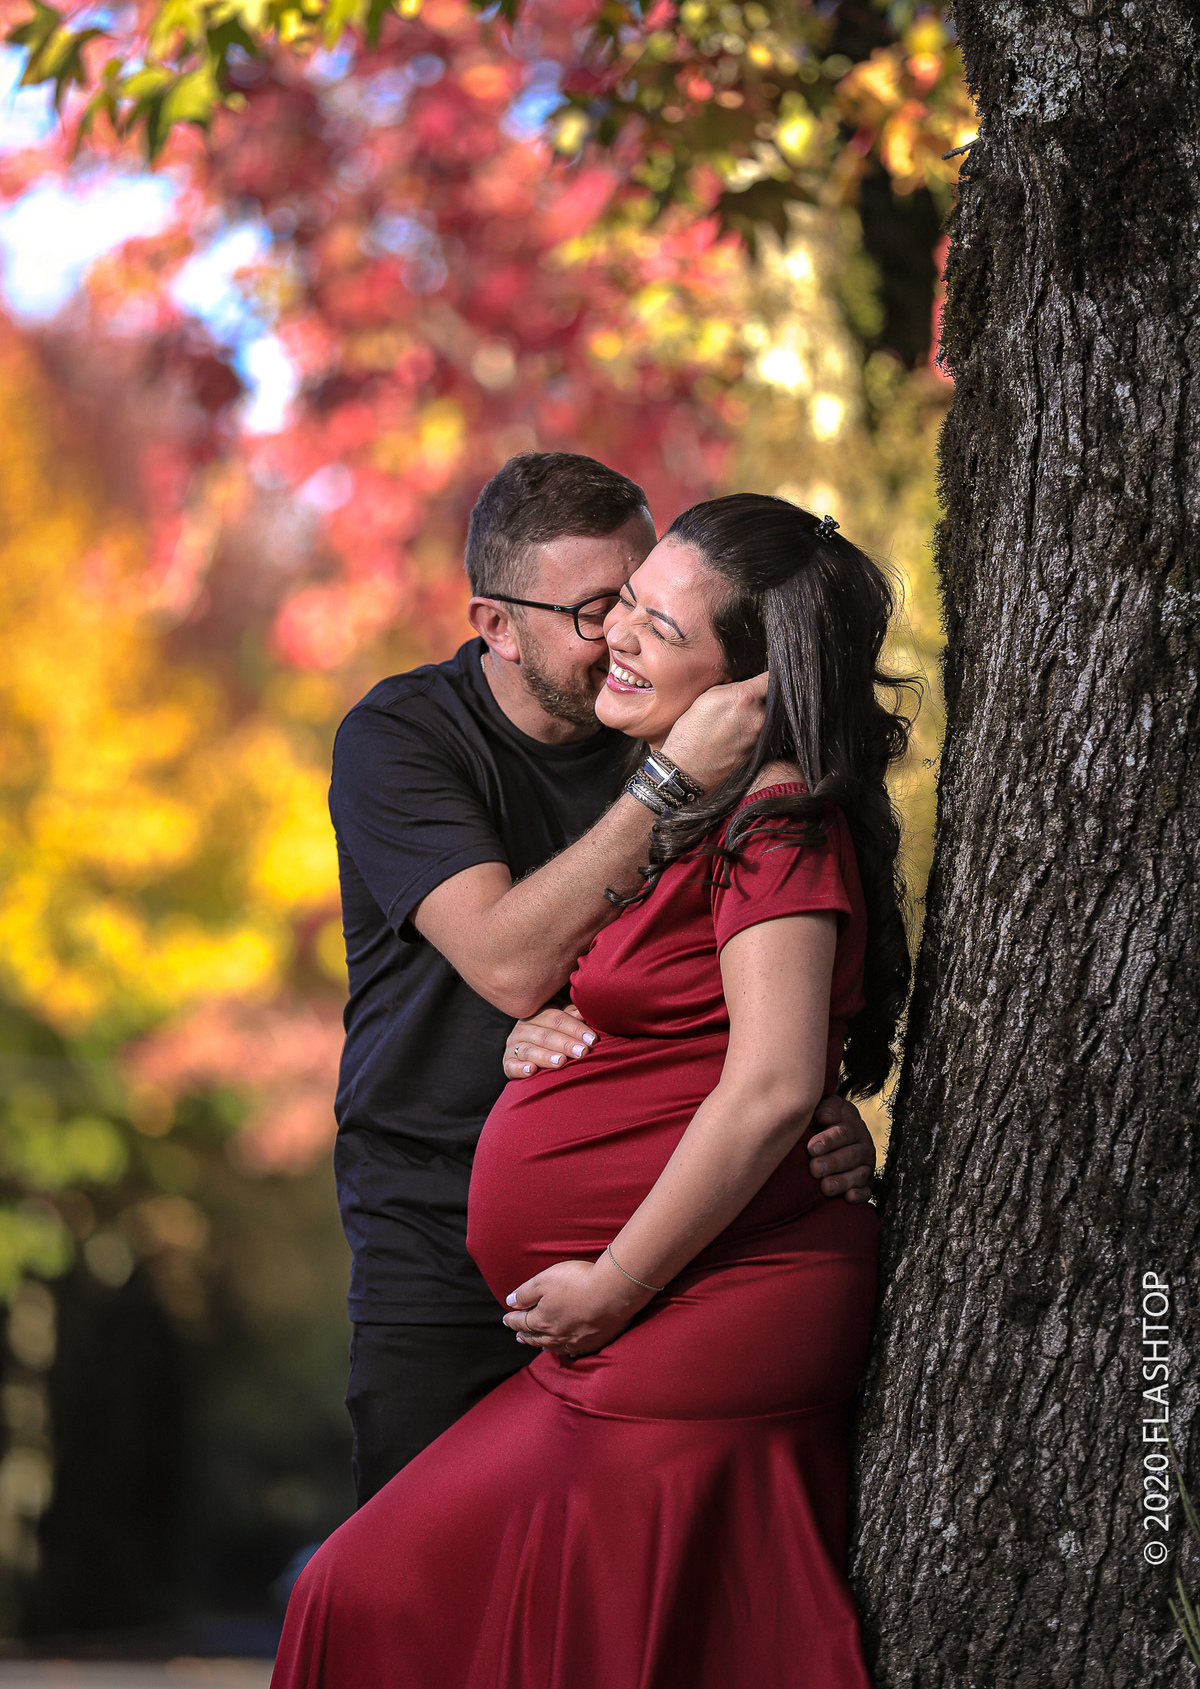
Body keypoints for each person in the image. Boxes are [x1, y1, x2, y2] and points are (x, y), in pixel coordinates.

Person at [274, 493, 912, 1688]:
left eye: (646, 611)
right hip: (443, 1244)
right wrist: (545, 1037)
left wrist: (815, 1123)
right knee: (425, 1609)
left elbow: (771, 1063)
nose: (617, 629)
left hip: (662, 1304)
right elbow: (520, 963)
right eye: (598, 608)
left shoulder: (758, 810)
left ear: (743, 686)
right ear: (494, 625)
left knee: (418, 1602)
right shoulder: (424, 740)